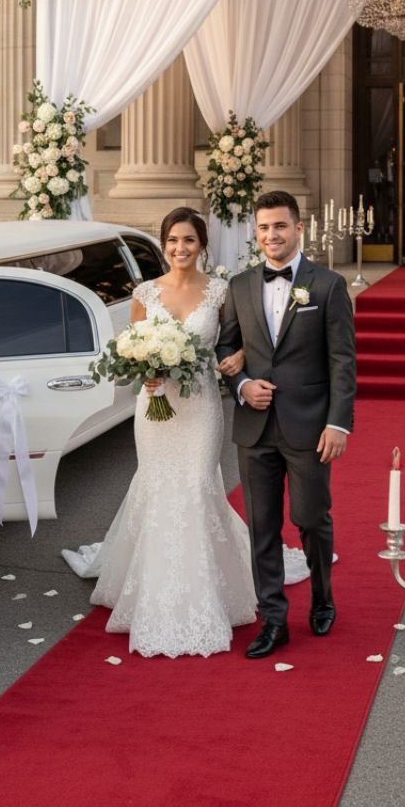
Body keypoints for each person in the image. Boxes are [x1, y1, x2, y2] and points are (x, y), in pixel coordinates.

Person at [64, 207, 259, 658]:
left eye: (189, 240)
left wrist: (239, 357)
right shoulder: (145, 292)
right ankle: (152, 586)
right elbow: (133, 349)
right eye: (172, 240)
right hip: (155, 410)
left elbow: (242, 339)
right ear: (164, 243)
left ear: (202, 245)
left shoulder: (220, 292)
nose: (180, 248)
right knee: (158, 486)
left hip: (201, 407)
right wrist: (143, 374)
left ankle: (204, 592)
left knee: (195, 485)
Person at [216, 190, 356, 659]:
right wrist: (242, 387)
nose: (271, 235)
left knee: (311, 518)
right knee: (262, 525)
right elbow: (225, 349)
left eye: (280, 226)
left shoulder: (328, 286)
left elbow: (342, 362)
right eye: (263, 228)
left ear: (299, 228)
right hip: (254, 428)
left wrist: (338, 424)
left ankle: (323, 595)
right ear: (255, 233)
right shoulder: (238, 286)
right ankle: (273, 618)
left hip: (310, 427)